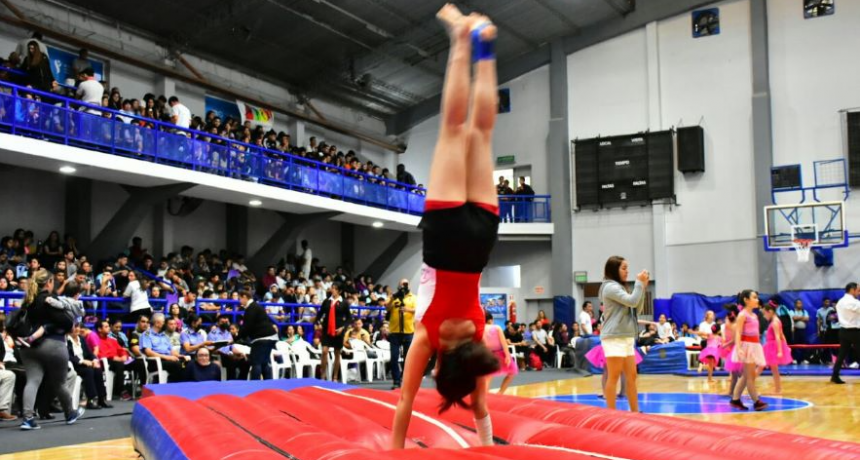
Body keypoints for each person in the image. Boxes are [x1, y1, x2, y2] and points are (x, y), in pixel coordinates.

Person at [391, 6, 501, 449]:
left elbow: (482, 411)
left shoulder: (479, 343)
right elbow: (403, 403)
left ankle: (487, 50)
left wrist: (487, 449)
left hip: (479, 244)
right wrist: (395, 452)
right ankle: (459, 38)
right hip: (443, 239)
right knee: (454, 128)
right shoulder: (427, 336)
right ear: (441, 368)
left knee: (480, 133)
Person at [17, 269, 85, 430]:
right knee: (60, 382)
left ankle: (28, 418)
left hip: (28, 347)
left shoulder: (28, 300)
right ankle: (70, 413)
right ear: (48, 282)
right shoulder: (50, 299)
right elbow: (67, 323)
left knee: (33, 381)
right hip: (53, 344)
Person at [729, 290, 768, 411]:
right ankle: (756, 401)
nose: (757, 300)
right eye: (754, 297)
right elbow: (738, 332)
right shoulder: (742, 315)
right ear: (746, 300)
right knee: (750, 376)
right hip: (747, 347)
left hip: (754, 345)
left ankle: (735, 399)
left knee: (746, 376)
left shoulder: (755, 315)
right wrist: (739, 348)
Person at [67, 324, 111, 410]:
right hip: (75, 365)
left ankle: (101, 398)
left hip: (86, 364)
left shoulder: (81, 339)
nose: (77, 329)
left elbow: (89, 352)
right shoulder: (66, 340)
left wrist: (94, 360)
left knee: (98, 370)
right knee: (89, 371)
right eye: (74, 327)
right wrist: (82, 361)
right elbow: (68, 355)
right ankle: (91, 399)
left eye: (78, 327)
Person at [237, 290, 278, 380]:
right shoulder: (256, 306)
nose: (239, 301)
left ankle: (255, 386)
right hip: (271, 337)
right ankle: (268, 385)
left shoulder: (251, 308)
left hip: (262, 338)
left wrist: (237, 338)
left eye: (239, 298)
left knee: (256, 362)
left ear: (244, 297)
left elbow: (247, 326)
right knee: (264, 362)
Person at [315, 282, 351, 382]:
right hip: (327, 329)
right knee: (324, 351)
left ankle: (335, 377)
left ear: (340, 291)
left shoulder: (344, 302)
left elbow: (349, 318)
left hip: (338, 330)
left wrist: (343, 328)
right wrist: (317, 322)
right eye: (332, 288)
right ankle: (322, 376)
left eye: (335, 289)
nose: (333, 290)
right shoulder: (326, 301)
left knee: (337, 353)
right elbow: (320, 313)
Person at [140, 313, 188, 383]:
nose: (165, 324)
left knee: (187, 363)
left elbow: (171, 350)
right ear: (157, 323)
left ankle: (183, 386)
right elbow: (148, 352)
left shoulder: (163, 335)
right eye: (163, 322)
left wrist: (180, 356)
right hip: (155, 362)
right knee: (177, 365)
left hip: (167, 360)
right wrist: (167, 357)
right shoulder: (146, 334)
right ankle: (172, 387)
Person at [386, 279, 416, 389]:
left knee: (408, 358)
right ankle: (396, 381)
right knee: (394, 357)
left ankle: (407, 379)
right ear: (398, 285)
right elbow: (386, 307)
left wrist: (409, 309)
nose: (403, 286)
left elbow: (418, 310)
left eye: (405, 284)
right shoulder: (393, 296)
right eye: (401, 284)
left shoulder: (413, 297)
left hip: (408, 331)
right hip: (394, 332)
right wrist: (392, 298)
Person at [831, 283, 860, 384]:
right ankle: (834, 376)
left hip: (843, 331)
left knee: (842, 355)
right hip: (855, 332)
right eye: (858, 290)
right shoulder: (854, 302)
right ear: (852, 290)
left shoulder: (840, 302)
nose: (859, 292)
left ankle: (834, 376)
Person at [762, 303, 792, 394]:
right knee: (774, 369)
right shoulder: (777, 321)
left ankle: (749, 387)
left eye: (764, 313)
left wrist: (780, 350)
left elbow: (778, 337)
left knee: (761, 367)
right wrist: (786, 346)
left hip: (772, 347)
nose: (764, 316)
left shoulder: (775, 322)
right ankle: (778, 389)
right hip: (771, 347)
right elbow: (782, 335)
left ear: (770, 312)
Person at [482, 312, 516, 394]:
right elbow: (504, 343)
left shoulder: (481, 329)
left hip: (486, 354)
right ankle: (500, 392)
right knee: (512, 372)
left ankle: (485, 394)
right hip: (499, 353)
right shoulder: (497, 328)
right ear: (490, 320)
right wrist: (507, 355)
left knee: (488, 376)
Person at [788, 299, 809, 364]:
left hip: (803, 331)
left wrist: (798, 318)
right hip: (795, 331)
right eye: (798, 303)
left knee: (804, 345)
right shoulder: (792, 311)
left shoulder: (805, 311)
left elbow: (807, 319)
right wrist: (802, 318)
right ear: (795, 304)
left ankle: (804, 359)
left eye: (801, 303)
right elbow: (793, 318)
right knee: (794, 345)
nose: (799, 304)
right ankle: (794, 359)